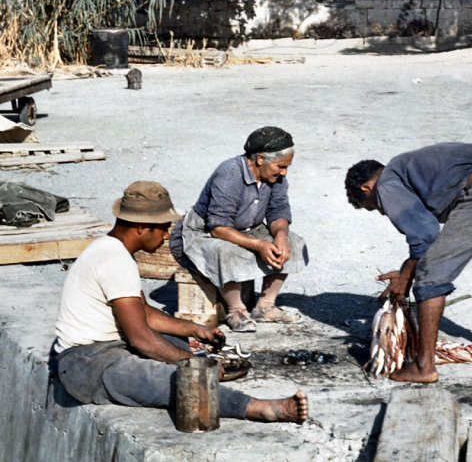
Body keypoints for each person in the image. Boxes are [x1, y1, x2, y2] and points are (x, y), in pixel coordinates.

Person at [54, 181, 308, 423]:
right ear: (141, 227)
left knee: (182, 348)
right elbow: (140, 338)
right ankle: (263, 408)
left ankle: (205, 370)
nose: (166, 236)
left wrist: (195, 329)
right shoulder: (115, 260)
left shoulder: (111, 249)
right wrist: (196, 365)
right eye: (163, 228)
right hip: (87, 365)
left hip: (110, 346)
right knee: (181, 377)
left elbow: (145, 314)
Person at [345, 143, 472, 383]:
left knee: (430, 274)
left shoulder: (386, 183)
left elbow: (425, 233)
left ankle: (423, 367)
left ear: (366, 188)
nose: (382, 212)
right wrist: (408, 269)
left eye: (372, 207)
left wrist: (407, 272)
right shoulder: (407, 165)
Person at [170, 126, 309, 332]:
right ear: (261, 159)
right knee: (225, 251)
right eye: (280, 166)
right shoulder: (230, 173)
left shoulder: (276, 176)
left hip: (247, 227)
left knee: (294, 243)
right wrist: (259, 244)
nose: (284, 172)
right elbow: (218, 228)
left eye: (286, 167)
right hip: (207, 231)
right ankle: (235, 310)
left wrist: (280, 236)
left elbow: (278, 210)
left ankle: (264, 307)